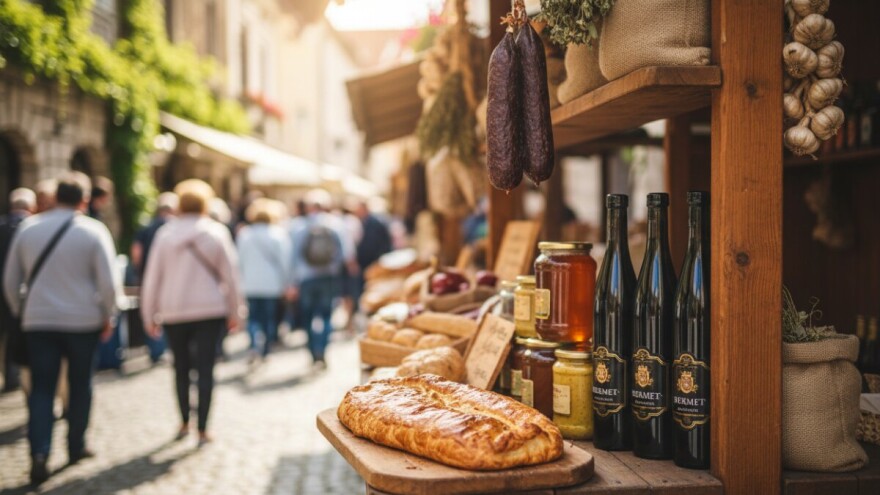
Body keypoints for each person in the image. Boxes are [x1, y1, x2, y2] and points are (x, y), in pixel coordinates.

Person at [2, 172, 120, 485]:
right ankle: (76, 445)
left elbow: (10, 282)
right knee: (80, 385)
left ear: (55, 197)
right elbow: (109, 284)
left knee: (42, 388)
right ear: (84, 199)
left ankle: (39, 453)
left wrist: (23, 313)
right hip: (83, 321)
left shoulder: (29, 228)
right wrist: (109, 315)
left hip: (39, 322)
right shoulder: (93, 231)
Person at [140, 179, 245, 446]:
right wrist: (236, 311)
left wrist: (148, 314)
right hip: (210, 310)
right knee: (207, 369)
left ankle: (185, 420)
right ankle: (203, 428)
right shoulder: (215, 232)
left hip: (174, 311)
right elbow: (231, 276)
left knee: (181, 368)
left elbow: (153, 278)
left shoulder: (165, 235)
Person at [289, 189, 344, 369]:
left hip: (306, 278)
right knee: (327, 315)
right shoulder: (334, 224)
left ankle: (313, 351)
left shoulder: (298, 226)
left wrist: (292, 281)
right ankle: (323, 349)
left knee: (308, 316)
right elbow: (343, 253)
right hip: (328, 276)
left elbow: (293, 255)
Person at [236, 198, 290, 361]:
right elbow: (285, 262)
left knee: (253, 317)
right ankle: (265, 349)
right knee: (268, 318)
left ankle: (254, 345)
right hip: (271, 284)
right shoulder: (278, 234)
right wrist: (286, 282)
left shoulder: (245, 234)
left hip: (250, 283)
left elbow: (239, 260)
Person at [130, 192, 179, 363]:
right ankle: (168, 347)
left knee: (151, 309)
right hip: (171, 277)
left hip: (147, 275)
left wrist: (140, 270)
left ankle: (156, 348)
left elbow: (136, 252)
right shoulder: (174, 228)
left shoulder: (146, 228)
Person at [0, 188, 36, 392]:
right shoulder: (32, 228)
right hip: (23, 293)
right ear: (30, 207)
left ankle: (8, 374)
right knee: (20, 336)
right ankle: (17, 375)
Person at [352, 199, 392, 315]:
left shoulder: (375, 223)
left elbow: (383, 243)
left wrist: (380, 260)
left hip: (373, 261)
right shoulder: (363, 223)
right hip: (365, 262)